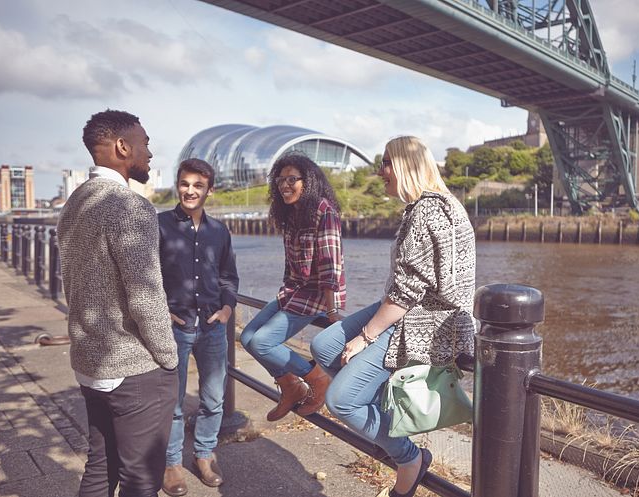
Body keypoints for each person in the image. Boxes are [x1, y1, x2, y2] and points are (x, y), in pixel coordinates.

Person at [310, 136, 476, 497]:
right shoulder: (432, 206)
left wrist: (365, 337)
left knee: (341, 400)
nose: (380, 171)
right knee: (324, 345)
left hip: (422, 320)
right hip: (406, 306)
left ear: (406, 165)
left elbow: (407, 294)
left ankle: (409, 456)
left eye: (386, 163)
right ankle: (387, 423)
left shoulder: (428, 211)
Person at [57, 109, 178, 497]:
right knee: (141, 480)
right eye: (145, 143)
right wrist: (169, 357)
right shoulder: (130, 206)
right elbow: (145, 296)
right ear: (122, 147)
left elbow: (71, 282)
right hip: (134, 369)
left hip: (91, 362)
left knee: (100, 465)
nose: (150, 153)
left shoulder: (76, 202)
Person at [240, 153, 345, 421]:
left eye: (292, 180)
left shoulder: (324, 211)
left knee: (263, 342)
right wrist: (284, 294)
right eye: (280, 180)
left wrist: (332, 312)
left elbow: (330, 264)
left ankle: (318, 379)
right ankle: (290, 386)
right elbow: (290, 264)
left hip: (317, 295)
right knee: (248, 337)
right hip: (293, 290)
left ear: (307, 182)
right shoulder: (290, 214)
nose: (285, 185)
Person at [158, 159, 240, 496]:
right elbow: (144, 276)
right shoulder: (158, 224)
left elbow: (228, 276)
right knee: (173, 403)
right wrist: (161, 310)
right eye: (185, 183)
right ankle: (172, 463)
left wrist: (226, 308)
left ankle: (204, 455)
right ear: (177, 185)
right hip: (173, 326)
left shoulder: (219, 231)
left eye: (198, 185)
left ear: (209, 190)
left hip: (211, 328)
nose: (190, 190)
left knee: (213, 398)